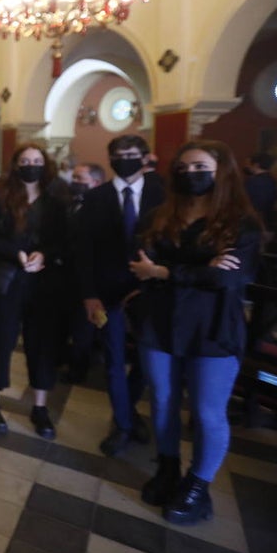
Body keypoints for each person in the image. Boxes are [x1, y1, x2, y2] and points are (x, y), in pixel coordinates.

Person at [129, 140, 261, 525]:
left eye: (200, 167)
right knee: (163, 400)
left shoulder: (241, 223)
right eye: (184, 168)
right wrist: (199, 267)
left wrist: (167, 271)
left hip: (213, 326)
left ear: (221, 172)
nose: (191, 174)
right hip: (161, 320)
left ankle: (198, 486)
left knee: (206, 411)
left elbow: (229, 279)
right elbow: (141, 263)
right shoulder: (158, 216)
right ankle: (168, 467)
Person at [76, 135, 164, 457]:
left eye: (131, 154)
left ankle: (126, 412)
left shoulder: (162, 194)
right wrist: (89, 294)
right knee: (114, 361)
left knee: (144, 359)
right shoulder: (96, 198)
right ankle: (124, 426)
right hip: (107, 292)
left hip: (151, 290)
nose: (124, 159)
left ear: (144, 158)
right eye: (118, 154)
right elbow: (83, 250)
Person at [0, 143, 68, 439]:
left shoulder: (56, 199)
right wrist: (14, 252)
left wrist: (45, 254)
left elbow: (64, 239)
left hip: (43, 282)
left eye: (36, 160)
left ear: (45, 164)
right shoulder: (1, 196)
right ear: (15, 165)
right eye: (25, 160)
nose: (31, 165)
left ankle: (40, 406)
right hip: (7, 279)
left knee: (42, 344)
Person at [62, 162, 106, 383]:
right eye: (75, 178)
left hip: (88, 276)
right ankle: (68, 360)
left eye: (81, 179)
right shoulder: (72, 203)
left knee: (84, 326)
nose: (75, 182)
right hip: (68, 274)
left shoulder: (101, 208)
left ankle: (79, 368)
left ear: (95, 183)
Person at [244, 151, 277, 227]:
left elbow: (252, 206)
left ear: (256, 165)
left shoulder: (253, 182)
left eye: (248, 164)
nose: (247, 166)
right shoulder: (272, 181)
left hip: (252, 223)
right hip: (268, 221)